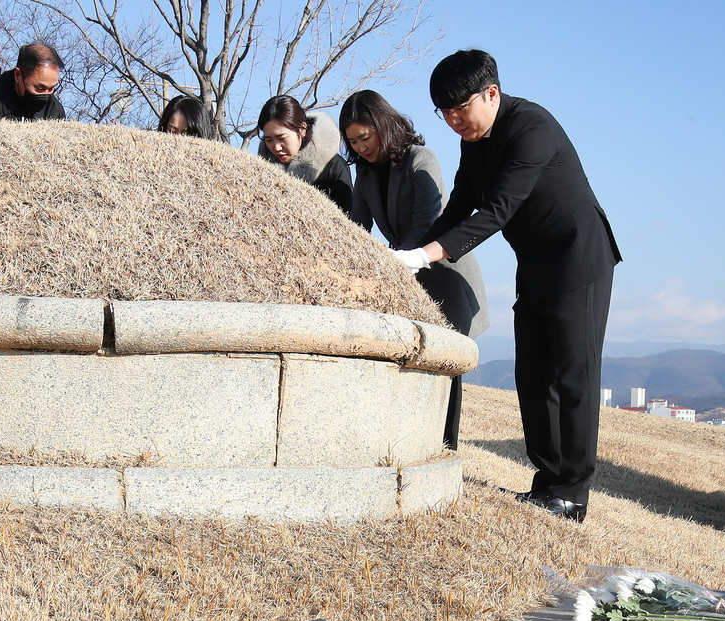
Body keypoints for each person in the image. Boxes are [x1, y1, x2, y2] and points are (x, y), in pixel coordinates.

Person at [397, 50, 621, 523]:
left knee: (572, 375)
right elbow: (461, 203)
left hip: (579, 260)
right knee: (533, 374)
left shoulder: (531, 128)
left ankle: (573, 493)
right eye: (445, 113)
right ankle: (547, 482)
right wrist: (412, 251)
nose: (454, 121)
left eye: (461, 109)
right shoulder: (475, 139)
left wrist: (428, 255)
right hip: (537, 264)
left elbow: (498, 210)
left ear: (491, 93)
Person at [339, 90, 489, 450]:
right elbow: (357, 226)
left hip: (446, 273)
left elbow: (429, 220)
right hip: (406, 276)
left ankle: (445, 445)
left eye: (366, 137)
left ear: (383, 126)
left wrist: (400, 258)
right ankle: (414, 439)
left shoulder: (421, 159)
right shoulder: (365, 176)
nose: (360, 148)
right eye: (353, 142)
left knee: (447, 362)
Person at [256, 95, 352, 215]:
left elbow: (349, 221)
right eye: (268, 140)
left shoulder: (334, 166)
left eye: (282, 138)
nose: (276, 147)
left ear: (302, 129)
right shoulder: (261, 171)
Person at [0, 43, 67, 122]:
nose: (45, 95)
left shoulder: (54, 110)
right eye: (39, 88)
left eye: (51, 88)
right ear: (18, 75)